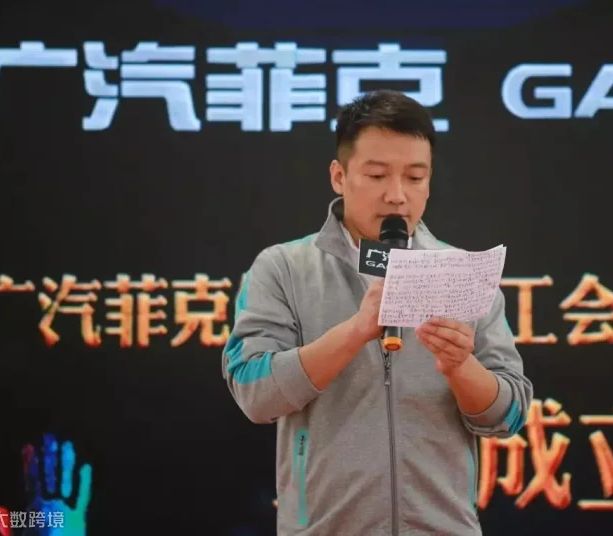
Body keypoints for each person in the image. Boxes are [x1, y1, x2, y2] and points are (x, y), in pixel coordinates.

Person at [222, 90, 533, 535]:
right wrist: (354, 331)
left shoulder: (461, 271)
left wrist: (460, 367)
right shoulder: (283, 267)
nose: (397, 196)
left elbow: (510, 414)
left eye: (415, 177)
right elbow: (255, 393)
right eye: (377, 175)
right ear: (339, 176)